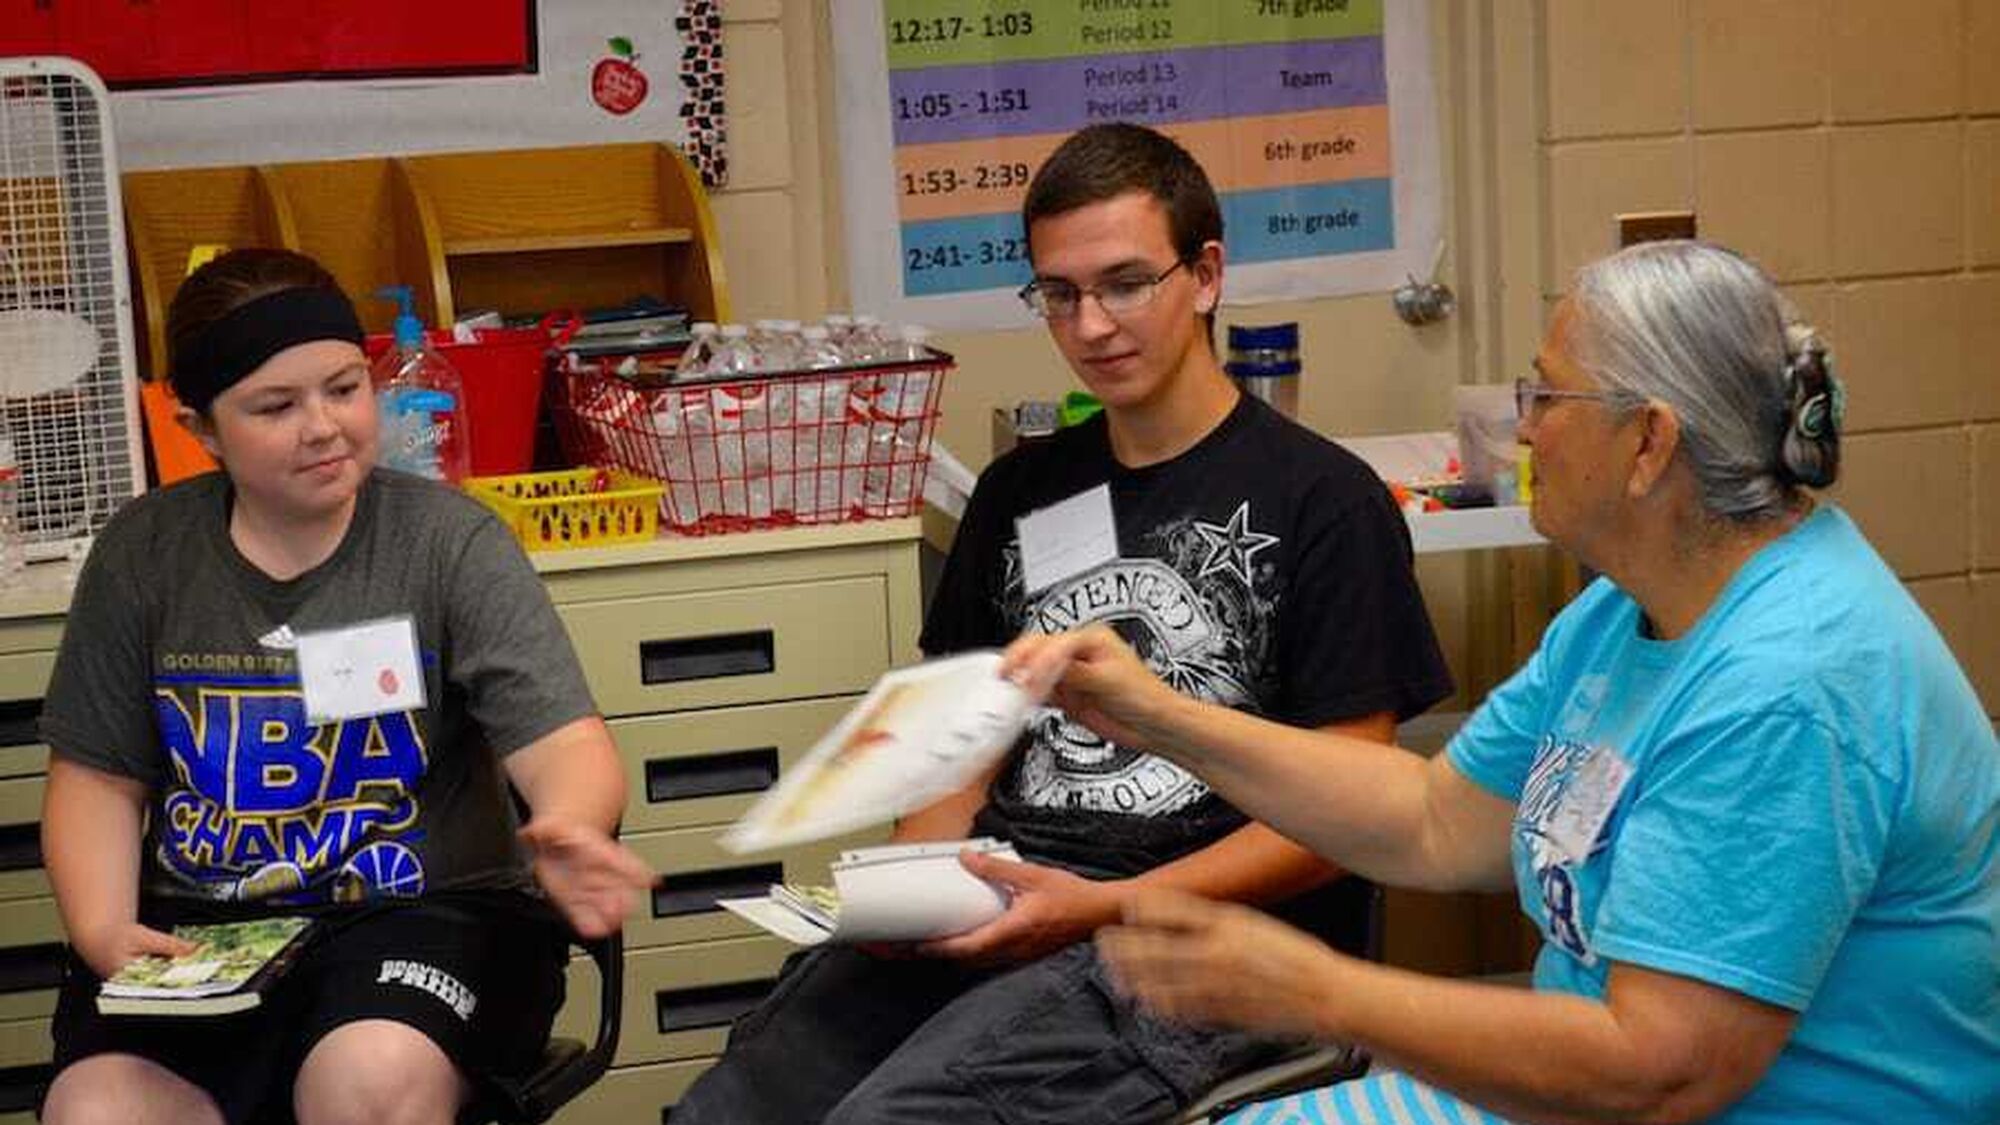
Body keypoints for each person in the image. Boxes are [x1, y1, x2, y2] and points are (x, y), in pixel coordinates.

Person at [1008, 240, 2000, 1124]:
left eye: (1546, 398)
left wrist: (1311, 989)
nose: (1522, 432)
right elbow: (1434, 820)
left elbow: (1657, 1075)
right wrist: (1157, 717)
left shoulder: (1787, 682)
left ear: (1647, 444)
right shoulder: (1630, 610)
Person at [673, 123, 1454, 1124]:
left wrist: (1099, 906)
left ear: (1205, 274)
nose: (1092, 325)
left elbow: (1354, 811)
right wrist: (913, 887)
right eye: (1059, 294)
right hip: (1008, 898)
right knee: (732, 1107)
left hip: (1197, 935)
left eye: (1125, 283)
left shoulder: (1322, 501)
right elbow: (960, 746)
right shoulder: (1018, 492)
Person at [38, 248, 656, 1125]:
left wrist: (570, 822)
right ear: (201, 428)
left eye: (342, 387)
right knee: (98, 1110)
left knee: (366, 1080)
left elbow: (563, 740)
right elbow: (97, 777)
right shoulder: (145, 554)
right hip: (206, 931)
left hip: (418, 916)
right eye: (275, 406)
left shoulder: (449, 542)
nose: (323, 425)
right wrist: (104, 932)